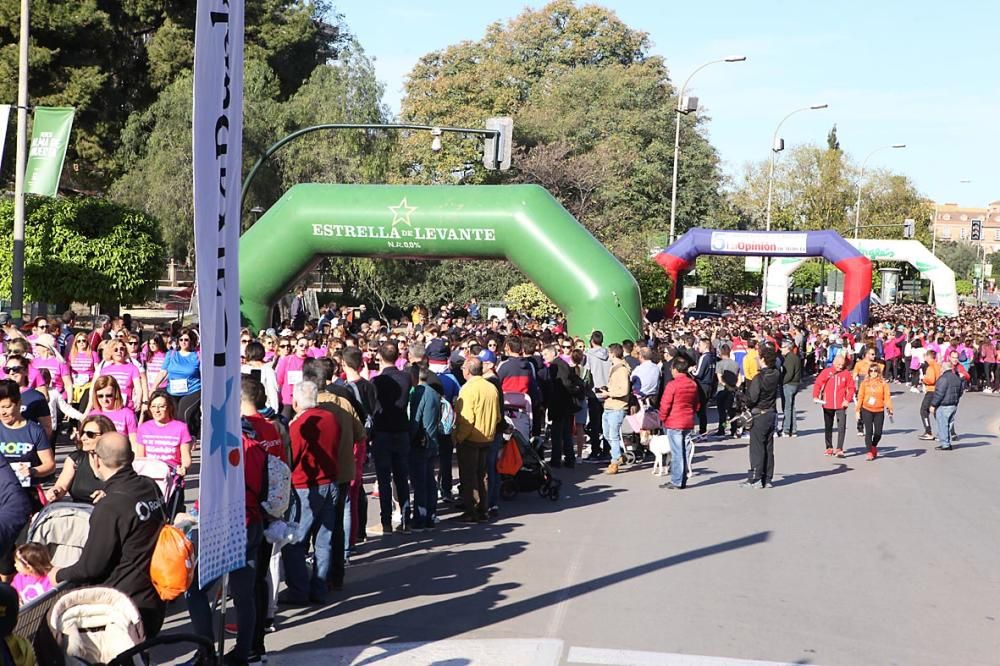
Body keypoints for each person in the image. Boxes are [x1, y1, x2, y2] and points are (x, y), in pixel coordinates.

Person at [51, 433, 166, 638]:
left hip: (122, 607)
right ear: (130, 456)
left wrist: (57, 574)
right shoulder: (150, 486)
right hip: (153, 596)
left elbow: (91, 567)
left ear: (96, 459)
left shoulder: (111, 506)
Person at [281, 381, 340, 605]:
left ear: (296, 401)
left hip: (305, 486)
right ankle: (319, 587)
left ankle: (299, 590)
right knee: (324, 540)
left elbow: (291, 458)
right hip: (330, 482)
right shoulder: (331, 418)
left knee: (295, 541)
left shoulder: (298, 426)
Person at [370, 342, 412, 534]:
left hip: (383, 432)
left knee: (384, 478)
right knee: (402, 477)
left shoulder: (377, 381)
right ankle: (406, 520)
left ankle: (386, 522)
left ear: (380, 356)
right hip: (401, 430)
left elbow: (373, 407)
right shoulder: (406, 377)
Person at [452, 357, 500, 522]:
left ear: (468, 370)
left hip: (471, 438)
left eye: (464, 367)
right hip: (487, 437)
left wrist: (459, 437)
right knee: (482, 474)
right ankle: (483, 509)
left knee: (469, 476)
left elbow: (466, 419)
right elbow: (498, 415)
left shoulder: (468, 389)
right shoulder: (491, 387)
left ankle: (471, 510)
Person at [0, 379, 55, 513]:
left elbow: (50, 465)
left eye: (7, 407)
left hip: (27, 494)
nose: (3, 412)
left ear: (19, 404)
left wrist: (32, 471)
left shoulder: (35, 431)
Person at [45, 414, 116, 504]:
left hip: (108, 512)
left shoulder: (117, 461)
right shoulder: (75, 459)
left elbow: (126, 490)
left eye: (90, 434)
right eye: (82, 433)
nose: (83, 438)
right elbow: (62, 486)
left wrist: (110, 495)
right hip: (80, 514)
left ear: (106, 436)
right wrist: (55, 491)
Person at [657, 356, 700, 491]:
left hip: (674, 421)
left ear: (675, 369)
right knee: (685, 450)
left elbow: (665, 404)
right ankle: (682, 478)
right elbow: (696, 404)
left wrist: (662, 418)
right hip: (687, 421)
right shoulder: (692, 384)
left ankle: (676, 480)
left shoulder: (672, 385)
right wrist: (691, 413)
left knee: (677, 452)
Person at [740, 346, 781, 488]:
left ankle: (755, 478)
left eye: (759, 357)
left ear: (763, 359)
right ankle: (767, 478)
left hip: (760, 413)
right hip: (771, 412)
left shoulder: (759, 378)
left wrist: (742, 397)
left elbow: (752, 398)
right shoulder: (776, 373)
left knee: (757, 447)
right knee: (768, 447)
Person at [150, 328, 201, 436]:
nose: (183, 342)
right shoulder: (171, 354)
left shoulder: (197, 355)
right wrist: (154, 387)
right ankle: (181, 436)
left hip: (192, 390)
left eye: (186, 340)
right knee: (173, 416)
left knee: (183, 414)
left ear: (191, 341)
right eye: (181, 339)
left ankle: (185, 439)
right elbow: (163, 372)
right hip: (173, 391)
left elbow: (204, 374)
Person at [409, 366, 441, 530]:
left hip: (421, 442)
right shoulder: (434, 393)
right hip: (432, 440)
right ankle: (431, 515)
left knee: (420, 483)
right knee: (430, 481)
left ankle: (420, 518)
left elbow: (415, 419)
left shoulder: (419, 393)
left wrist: (410, 438)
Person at [135, 390, 193, 476]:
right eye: (153, 406)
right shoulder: (143, 428)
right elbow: (140, 457)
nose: (157, 410)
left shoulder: (181, 428)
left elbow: (186, 457)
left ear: (169, 407)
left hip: (171, 476)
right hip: (149, 477)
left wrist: (183, 468)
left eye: (161, 406)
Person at [540, 345, 577, 468]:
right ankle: (569, 458)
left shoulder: (556, 366)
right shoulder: (561, 364)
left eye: (545, 354)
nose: (543, 357)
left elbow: (562, 385)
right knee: (566, 433)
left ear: (552, 353)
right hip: (565, 404)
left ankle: (557, 459)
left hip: (559, 404)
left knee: (558, 433)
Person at [812, 353, 855, 457]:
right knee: (828, 426)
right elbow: (818, 384)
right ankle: (829, 447)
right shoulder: (826, 372)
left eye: (842, 365)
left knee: (841, 426)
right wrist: (815, 396)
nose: (840, 367)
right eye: (838, 364)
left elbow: (851, 388)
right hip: (827, 403)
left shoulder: (846, 374)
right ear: (834, 362)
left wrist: (847, 400)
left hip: (841, 404)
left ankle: (839, 448)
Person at [598, 344, 631, 475]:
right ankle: (619, 454)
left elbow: (624, 390)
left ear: (612, 354)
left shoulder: (622, 369)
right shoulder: (615, 367)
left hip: (617, 406)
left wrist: (609, 393)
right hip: (609, 405)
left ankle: (615, 461)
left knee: (613, 435)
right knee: (607, 434)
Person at [583, 331, 611, 461]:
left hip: (594, 392)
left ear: (592, 341)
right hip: (608, 392)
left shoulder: (589, 355)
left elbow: (586, 373)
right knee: (608, 423)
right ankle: (607, 449)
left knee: (595, 423)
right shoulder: (609, 354)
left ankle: (595, 450)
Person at [856, 364, 893, 460]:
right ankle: (869, 452)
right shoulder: (864, 383)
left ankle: (873, 446)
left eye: (875, 371)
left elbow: (887, 397)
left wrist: (890, 408)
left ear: (878, 372)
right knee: (869, 432)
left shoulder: (883, 383)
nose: (873, 373)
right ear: (868, 372)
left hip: (879, 410)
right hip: (866, 409)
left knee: (878, 433)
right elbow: (860, 397)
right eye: (871, 371)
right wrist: (857, 410)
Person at [88, 375, 138, 446]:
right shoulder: (92, 415)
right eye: (100, 396)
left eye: (109, 395)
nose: (104, 399)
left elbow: (134, 443)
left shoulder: (127, 414)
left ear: (116, 394)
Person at [929, 351, 964, 452]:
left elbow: (939, 393)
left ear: (943, 369)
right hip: (953, 404)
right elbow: (960, 391)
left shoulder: (943, 378)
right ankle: (947, 442)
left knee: (943, 424)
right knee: (948, 423)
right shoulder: (956, 377)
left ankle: (945, 444)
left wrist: (933, 405)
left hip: (944, 404)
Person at [690, 338, 716, 436]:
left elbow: (698, 373)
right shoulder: (713, 357)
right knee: (703, 409)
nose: (698, 347)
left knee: (699, 409)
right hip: (709, 385)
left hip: (702, 385)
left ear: (705, 346)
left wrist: (691, 370)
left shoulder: (704, 357)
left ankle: (701, 431)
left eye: (700, 345)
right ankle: (703, 430)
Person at [715, 345, 740, 437]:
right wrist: (735, 387)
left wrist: (727, 386)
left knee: (722, 413)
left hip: (722, 389)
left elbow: (720, 379)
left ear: (721, 352)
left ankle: (722, 429)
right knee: (731, 412)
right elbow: (739, 378)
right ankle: (733, 429)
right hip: (732, 390)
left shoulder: (719, 364)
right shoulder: (735, 364)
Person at [917, 349, 942, 441]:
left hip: (931, 391)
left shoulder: (930, 367)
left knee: (924, 411)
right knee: (936, 411)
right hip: (938, 390)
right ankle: (942, 431)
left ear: (928, 357)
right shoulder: (938, 366)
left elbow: (931, 380)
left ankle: (928, 431)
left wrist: (924, 379)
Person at [780, 339, 802, 437]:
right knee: (792, 407)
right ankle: (793, 429)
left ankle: (786, 429)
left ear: (787, 348)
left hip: (789, 384)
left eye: (783, 347)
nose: (781, 349)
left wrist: (781, 382)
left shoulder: (789, 358)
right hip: (795, 384)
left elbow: (789, 374)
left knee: (787, 407)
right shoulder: (795, 357)